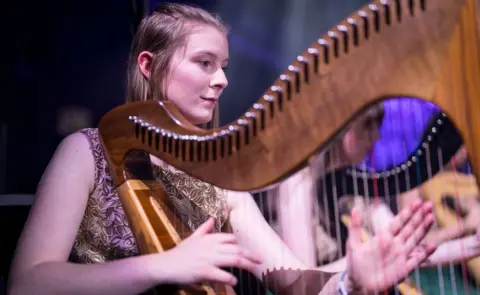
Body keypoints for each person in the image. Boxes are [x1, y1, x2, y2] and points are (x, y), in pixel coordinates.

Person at [7, 3, 436, 295]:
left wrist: (351, 282)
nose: (222, 80)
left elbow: (293, 281)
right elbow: (27, 282)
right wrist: (163, 266)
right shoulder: (85, 153)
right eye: (205, 63)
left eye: (224, 66)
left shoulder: (219, 174)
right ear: (148, 65)